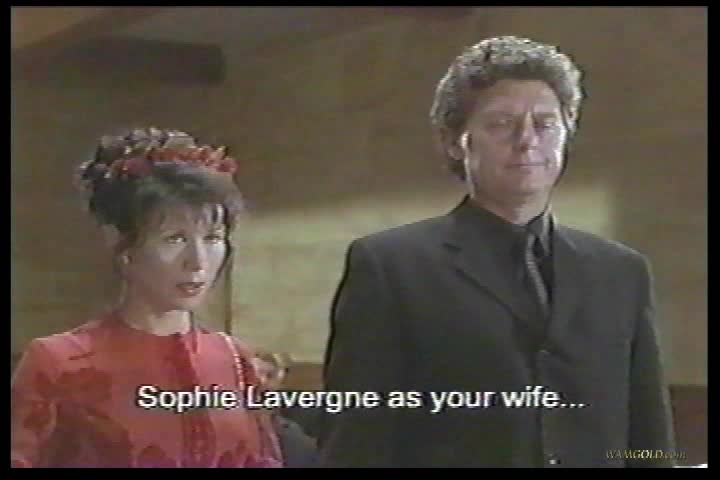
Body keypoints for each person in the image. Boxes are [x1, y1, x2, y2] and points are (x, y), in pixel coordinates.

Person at [319, 36, 676, 467]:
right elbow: (358, 442)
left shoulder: (621, 272)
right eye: (502, 123)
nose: (527, 141)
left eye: (545, 123)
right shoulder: (392, 267)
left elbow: (647, 438)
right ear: (456, 141)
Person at [11, 127, 283, 468]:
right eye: (174, 239)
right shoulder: (59, 362)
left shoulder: (234, 361)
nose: (197, 261)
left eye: (212, 238)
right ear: (121, 244)